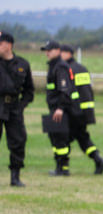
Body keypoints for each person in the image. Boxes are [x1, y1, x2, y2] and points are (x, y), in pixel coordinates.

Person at [60, 44, 103, 174]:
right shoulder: (81, 68)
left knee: (64, 138)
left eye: (61, 53)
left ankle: (62, 167)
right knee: (81, 137)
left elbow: (70, 91)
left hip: (75, 110)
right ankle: (98, 159)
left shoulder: (67, 69)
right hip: (85, 110)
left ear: (68, 53)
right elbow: (87, 91)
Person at [0, 31, 33, 187]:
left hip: (14, 107)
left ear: (8, 45)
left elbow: (29, 90)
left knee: (18, 141)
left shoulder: (22, 64)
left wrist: (21, 107)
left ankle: (15, 176)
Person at [41, 40, 78, 176]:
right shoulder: (54, 65)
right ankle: (60, 167)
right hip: (54, 108)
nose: (47, 53)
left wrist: (60, 108)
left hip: (59, 109)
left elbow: (64, 89)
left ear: (57, 50)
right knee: (55, 137)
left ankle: (62, 168)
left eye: (49, 50)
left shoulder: (60, 67)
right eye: (46, 50)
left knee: (60, 138)